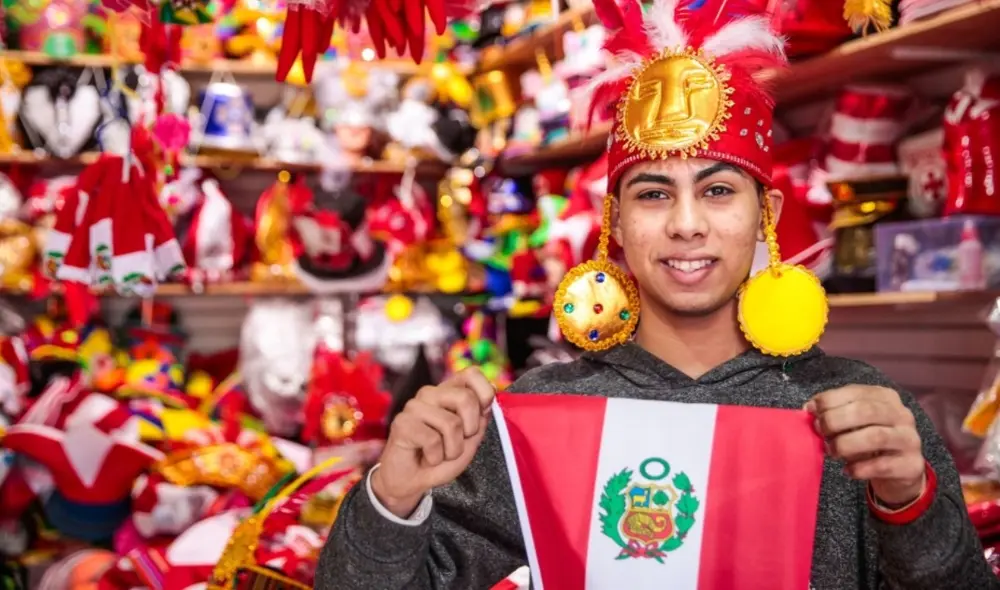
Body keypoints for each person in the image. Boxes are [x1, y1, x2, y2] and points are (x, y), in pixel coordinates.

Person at [317, 1, 998, 588]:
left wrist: (910, 501)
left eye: (718, 189)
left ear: (765, 212)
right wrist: (392, 495)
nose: (686, 224)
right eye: (653, 194)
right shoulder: (539, 420)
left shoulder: (862, 417)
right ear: (615, 223)